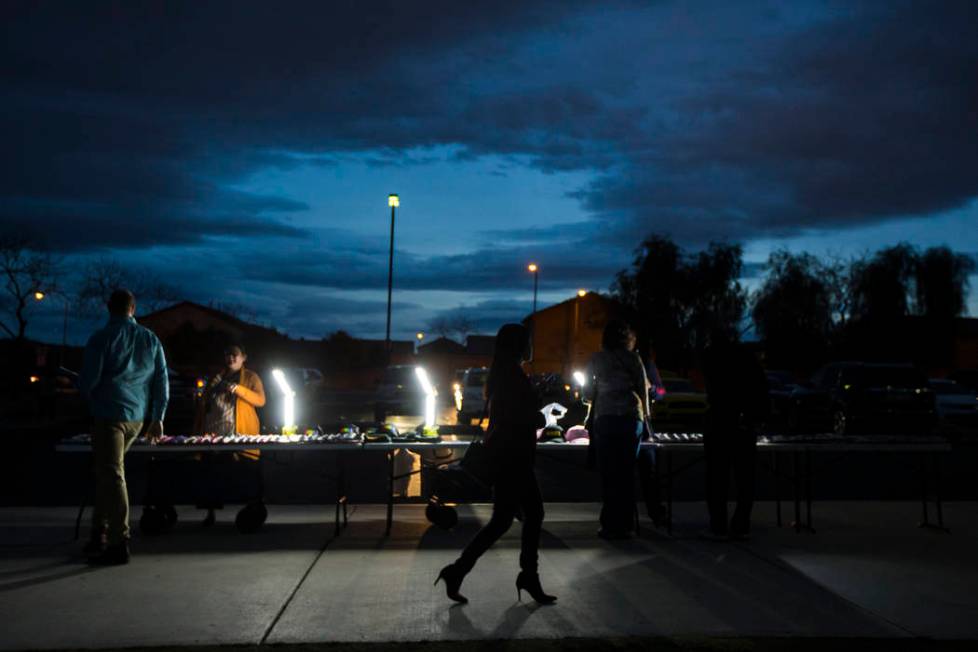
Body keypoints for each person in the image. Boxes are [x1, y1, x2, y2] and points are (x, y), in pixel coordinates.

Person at [435, 323, 557, 605]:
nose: (532, 347)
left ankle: (459, 571)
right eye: (528, 341)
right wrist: (545, 417)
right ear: (518, 346)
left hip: (506, 456)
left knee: (503, 521)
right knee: (531, 514)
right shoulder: (512, 377)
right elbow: (520, 418)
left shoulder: (503, 374)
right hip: (513, 458)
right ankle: (527, 575)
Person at [79, 289, 169, 565]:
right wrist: (157, 417)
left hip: (109, 415)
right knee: (108, 473)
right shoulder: (150, 339)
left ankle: (118, 541)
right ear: (133, 308)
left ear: (109, 308)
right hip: (137, 418)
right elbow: (160, 381)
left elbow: (89, 380)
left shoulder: (101, 338)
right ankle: (99, 531)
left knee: (113, 475)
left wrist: (81, 389)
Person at [700, 331, 769, 540]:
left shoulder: (713, 361)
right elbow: (762, 389)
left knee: (717, 478)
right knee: (745, 478)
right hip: (744, 425)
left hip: (720, 423)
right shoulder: (748, 359)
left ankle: (718, 525)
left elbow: (712, 390)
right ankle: (741, 524)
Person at [585, 320, 650, 539]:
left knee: (608, 473)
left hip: (605, 416)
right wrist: (647, 417)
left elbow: (586, 392)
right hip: (631, 417)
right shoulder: (634, 358)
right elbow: (643, 388)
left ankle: (609, 523)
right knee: (626, 472)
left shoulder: (596, 359)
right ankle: (626, 524)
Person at [193, 343, 266, 527]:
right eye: (227, 354)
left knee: (244, 474)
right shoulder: (216, 378)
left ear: (244, 357)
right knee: (210, 474)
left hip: (239, 435)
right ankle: (210, 512)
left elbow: (260, 400)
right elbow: (204, 403)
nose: (231, 358)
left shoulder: (250, 377)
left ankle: (251, 507)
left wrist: (238, 389)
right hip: (213, 435)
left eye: (234, 355)